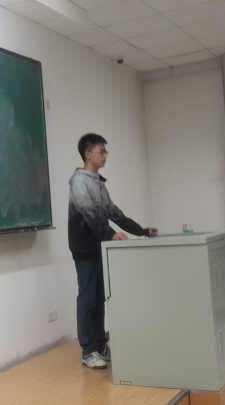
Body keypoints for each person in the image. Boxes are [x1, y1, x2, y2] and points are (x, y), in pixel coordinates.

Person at [68, 133, 158, 369]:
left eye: (105, 151)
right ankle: (88, 351)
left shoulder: (98, 182)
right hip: (84, 249)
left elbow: (114, 213)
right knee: (88, 298)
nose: (105, 155)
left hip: (99, 247)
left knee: (99, 298)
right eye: (102, 151)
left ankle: (99, 345)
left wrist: (142, 231)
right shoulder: (79, 181)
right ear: (88, 154)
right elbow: (89, 214)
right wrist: (110, 234)